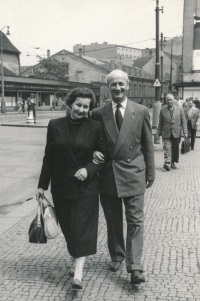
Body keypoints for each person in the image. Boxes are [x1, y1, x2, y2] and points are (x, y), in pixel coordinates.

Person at [37, 87, 107, 290]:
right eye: (78, 105)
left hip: (86, 186)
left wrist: (89, 169)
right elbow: (48, 156)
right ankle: (75, 257)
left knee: (82, 228)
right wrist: (42, 185)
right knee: (68, 228)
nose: (82, 110)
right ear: (69, 104)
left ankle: (78, 273)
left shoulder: (95, 127)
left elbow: (103, 156)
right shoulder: (55, 125)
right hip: (62, 186)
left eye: (86, 106)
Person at [91, 69, 155, 285]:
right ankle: (117, 255)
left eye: (121, 84)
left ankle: (135, 266)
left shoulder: (141, 110)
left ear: (128, 85)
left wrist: (151, 172)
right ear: (107, 87)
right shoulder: (98, 113)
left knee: (136, 221)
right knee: (113, 220)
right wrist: (93, 152)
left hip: (134, 173)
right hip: (108, 175)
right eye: (113, 85)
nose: (117, 88)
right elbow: (91, 142)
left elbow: (147, 144)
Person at [157, 94, 187, 171]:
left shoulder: (180, 109)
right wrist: (158, 133)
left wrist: (185, 132)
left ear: (174, 100)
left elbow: (183, 121)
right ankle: (167, 162)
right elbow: (160, 122)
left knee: (175, 148)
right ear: (165, 101)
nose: (169, 101)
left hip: (176, 132)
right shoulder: (162, 110)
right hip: (166, 132)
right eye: (168, 100)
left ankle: (172, 162)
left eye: (171, 100)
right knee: (167, 147)